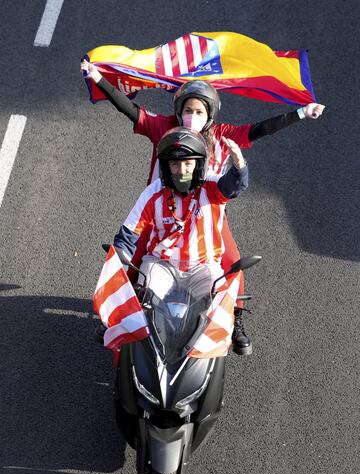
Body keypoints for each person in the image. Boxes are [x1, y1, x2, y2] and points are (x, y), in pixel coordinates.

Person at [81, 60, 325, 354]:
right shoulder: (163, 128)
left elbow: (263, 129)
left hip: (207, 210)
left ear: (209, 114)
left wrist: (301, 113)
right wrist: (98, 78)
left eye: (199, 112)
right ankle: (117, 318)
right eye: (187, 111)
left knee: (232, 264)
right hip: (163, 209)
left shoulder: (224, 136)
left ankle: (234, 321)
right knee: (135, 260)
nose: (192, 117)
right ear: (178, 112)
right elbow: (129, 109)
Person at [112, 126, 251, 352]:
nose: (181, 170)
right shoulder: (152, 193)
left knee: (218, 310)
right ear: (165, 167)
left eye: (188, 163)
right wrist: (119, 255)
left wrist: (239, 166)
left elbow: (235, 186)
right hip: (161, 266)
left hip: (203, 267)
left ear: (199, 163)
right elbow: (128, 234)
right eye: (175, 164)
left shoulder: (212, 185)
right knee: (143, 302)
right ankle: (119, 329)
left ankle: (227, 338)